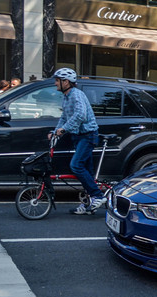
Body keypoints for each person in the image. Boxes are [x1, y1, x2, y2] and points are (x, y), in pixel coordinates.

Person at [48, 68, 104, 215]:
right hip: (78, 136)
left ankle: (98, 196)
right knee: (87, 172)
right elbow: (64, 117)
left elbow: (81, 115)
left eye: (57, 80)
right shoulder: (66, 97)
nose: (55, 83)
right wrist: (55, 132)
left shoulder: (76, 94)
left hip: (87, 135)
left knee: (76, 165)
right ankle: (88, 203)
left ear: (66, 82)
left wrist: (63, 129)